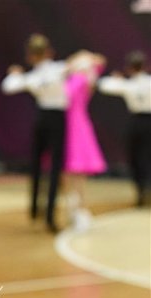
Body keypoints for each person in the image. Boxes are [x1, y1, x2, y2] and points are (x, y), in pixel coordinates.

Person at [1, 34, 69, 233]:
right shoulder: (58, 69)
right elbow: (81, 64)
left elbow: (8, 87)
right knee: (55, 167)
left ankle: (34, 208)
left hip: (42, 118)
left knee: (37, 164)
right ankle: (49, 215)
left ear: (30, 56)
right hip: (56, 119)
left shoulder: (32, 77)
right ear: (49, 52)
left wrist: (15, 74)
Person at [99, 50, 151, 207]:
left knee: (136, 157)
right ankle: (147, 188)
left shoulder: (128, 84)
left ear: (129, 68)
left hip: (137, 122)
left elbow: (104, 85)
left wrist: (117, 79)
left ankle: (141, 189)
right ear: (145, 66)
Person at [62, 50, 107, 231]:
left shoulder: (84, 79)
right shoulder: (68, 77)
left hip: (77, 125)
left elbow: (99, 62)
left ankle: (80, 208)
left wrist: (86, 60)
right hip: (65, 124)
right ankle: (71, 206)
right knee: (67, 169)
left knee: (78, 169)